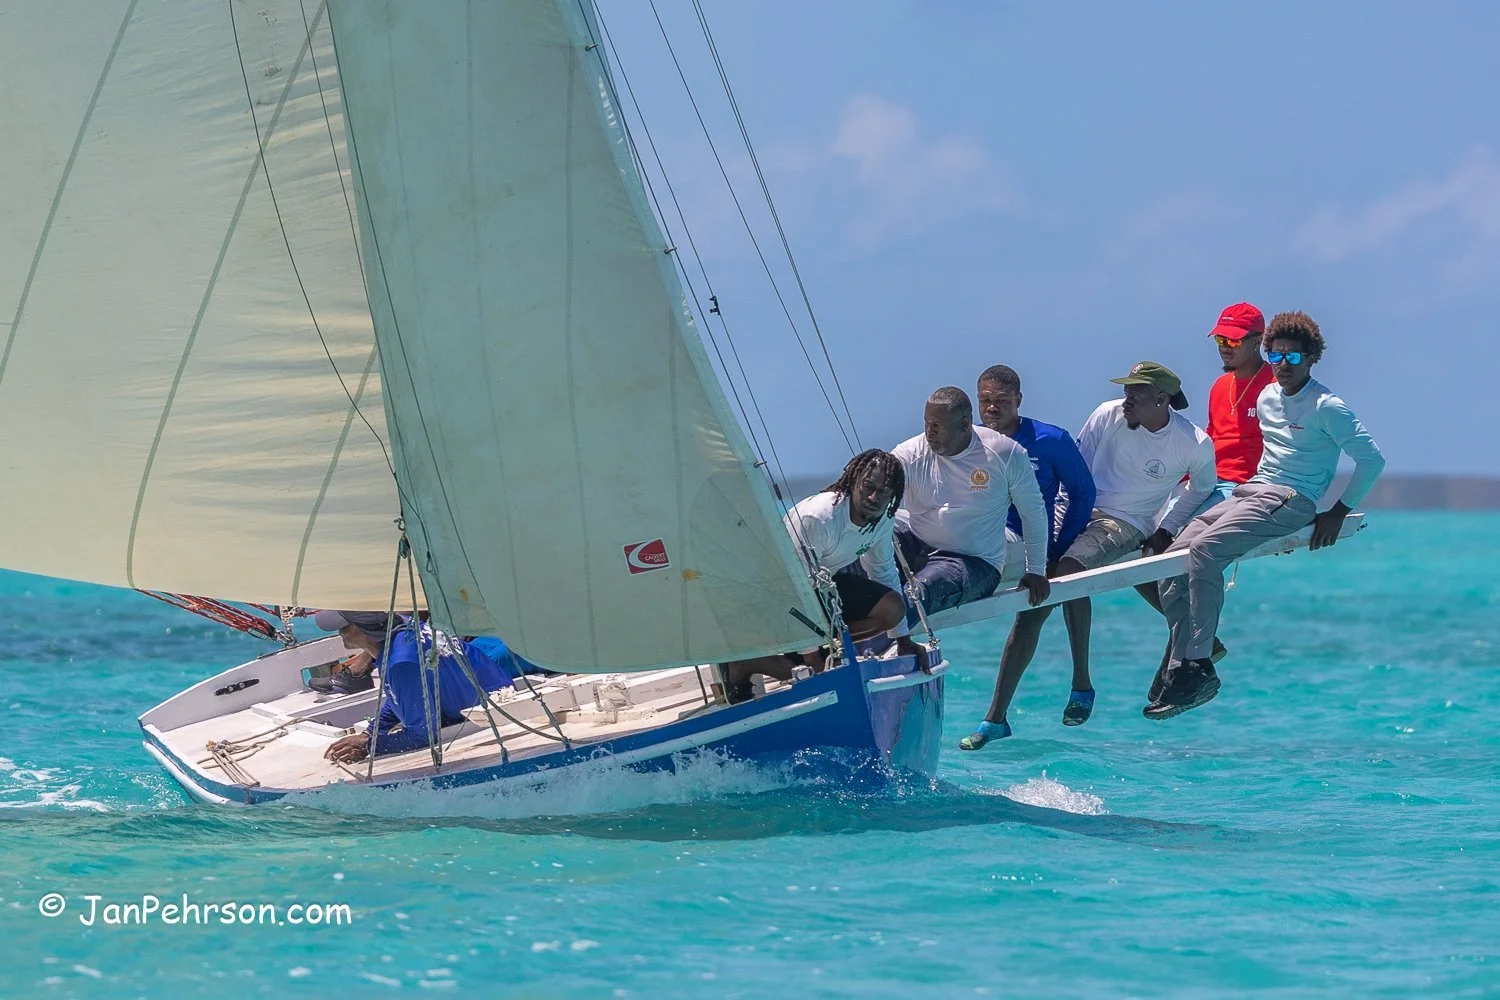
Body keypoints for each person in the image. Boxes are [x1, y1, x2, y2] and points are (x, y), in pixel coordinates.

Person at [961, 362, 1214, 748]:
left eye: (1135, 394)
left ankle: (1082, 684)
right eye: (1125, 391)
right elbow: (1078, 481)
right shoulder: (1107, 414)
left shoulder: (1192, 441)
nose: (1125, 400)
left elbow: (1202, 488)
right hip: (1077, 510)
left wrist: (1165, 529)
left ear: (1162, 399)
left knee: (1067, 570)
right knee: (1033, 605)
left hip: (1126, 520)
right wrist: (1055, 534)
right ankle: (995, 718)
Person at [1147, 311, 1384, 719]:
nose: (1282, 366)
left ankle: (1198, 662)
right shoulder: (1267, 395)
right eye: (1276, 356)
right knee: (1172, 558)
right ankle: (1179, 668)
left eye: (1293, 358)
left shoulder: (1328, 406)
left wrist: (1337, 511)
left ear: (1311, 359)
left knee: (1205, 551)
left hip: (1294, 498)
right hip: (1251, 491)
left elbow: (1372, 460)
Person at [722, 449, 926, 703]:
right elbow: (793, 588)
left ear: (893, 496)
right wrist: (812, 658)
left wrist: (903, 639)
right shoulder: (818, 518)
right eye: (868, 486)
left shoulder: (882, 520)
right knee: (817, 674)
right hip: (769, 594)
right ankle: (746, 663)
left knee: (893, 608)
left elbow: (883, 571)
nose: (873, 497)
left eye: (883, 492)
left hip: (816, 587)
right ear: (854, 482)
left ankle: (827, 647)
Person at [892, 387, 1051, 626]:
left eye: (937, 425)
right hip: (917, 544)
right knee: (855, 563)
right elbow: (879, 478)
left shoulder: (1006, 453)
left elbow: (1034, 514)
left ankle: (877, 648)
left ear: (965, 424)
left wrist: (1036, 570)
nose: (929, 432)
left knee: (920, 591)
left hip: (974, 563)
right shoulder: (911, 451)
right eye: (926, 423)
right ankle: (830, 649)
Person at [320, 610, 512, 763]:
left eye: (345, 626)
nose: (340, 632)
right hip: (496, 691)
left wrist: (370, 746)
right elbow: (403, 695)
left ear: (367, 629)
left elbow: (424, 735)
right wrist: (371, 731)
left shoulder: (401, 664)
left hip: (493, 715)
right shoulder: (405, 629)